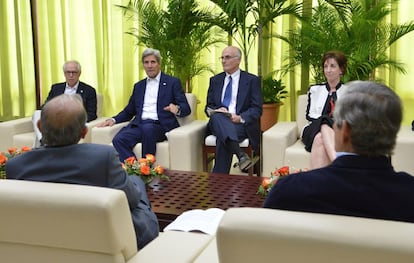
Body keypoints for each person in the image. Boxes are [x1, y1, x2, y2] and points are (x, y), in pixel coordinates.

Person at [6, 94, 159, 249]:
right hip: (102, 242)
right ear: (84, 132)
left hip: (41, 241)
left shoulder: (16, 166)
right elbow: (131, 201)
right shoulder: (103, 157)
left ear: (39, 126)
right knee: (137, 186)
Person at [264, 81, 414, 223]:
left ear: (345, 131)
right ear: (393, 133)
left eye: (335, 122)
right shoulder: (408, 194)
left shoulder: (290, 190)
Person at [97, 48, 191, 162]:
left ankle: (147, 167)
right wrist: (113, 119)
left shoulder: (172, 82)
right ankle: (136, 169)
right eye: (146, 62)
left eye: (153, 62)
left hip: (160, 125)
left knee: (148, 129)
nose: (150, 66)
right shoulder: (139, 86)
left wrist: (177, 109)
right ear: (143, 65)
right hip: (139, 125)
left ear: (159, 64)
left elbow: (186, 108)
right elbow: (129, 111)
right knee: (119, 139)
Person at [204, 46, 262, 173]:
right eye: (222, 58)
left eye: (227, 57)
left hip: (239, 124)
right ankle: (240, 155)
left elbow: (257, 109)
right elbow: (208, 107)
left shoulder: (251, 80)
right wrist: (218, 110)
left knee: (223, 138)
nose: (223, 61)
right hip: (218, 120)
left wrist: (240, 118)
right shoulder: (215, 80)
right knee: (218, 117)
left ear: (238, 60)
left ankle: (218, 182)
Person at [32, 60, 97, 147]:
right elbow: (46, 106)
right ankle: (42, 140)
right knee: (37, 113)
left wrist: (76, 120)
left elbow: (92, 114)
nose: (71, 75)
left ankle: (44, 144)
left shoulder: (89, 90)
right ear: (64, 73)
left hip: (74, 121)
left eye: (74, 72)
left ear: (79, 73)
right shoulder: (56, 88)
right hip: (55, 120)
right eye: (68, 72)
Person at [301, 51, 348, 169]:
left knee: (319, 139)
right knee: (324, 122)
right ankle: (338, 162)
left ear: (341, 70)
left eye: (332, 66)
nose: (328, 70)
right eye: (326, 66)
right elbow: (310, 116)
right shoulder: (315, 90)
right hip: (313, 128)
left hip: (338, 130)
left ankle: (318, 184)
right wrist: (326, 121)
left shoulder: (349, 92)